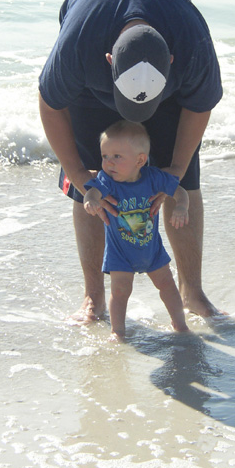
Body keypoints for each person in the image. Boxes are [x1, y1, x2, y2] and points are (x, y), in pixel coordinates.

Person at [38, 0, 223, 323]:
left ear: (170, 61)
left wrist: (176, 171)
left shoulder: (192, 47)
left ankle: (192, 292)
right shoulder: (79, 45)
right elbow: (49, 102)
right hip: (91, 92)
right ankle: (94, 297)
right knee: (92, 187)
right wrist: (78, 175)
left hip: (171, 87)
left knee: (181, 182)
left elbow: (200, 107)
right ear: (109, 61)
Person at [83, 120, 189, 339]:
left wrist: (181, 207)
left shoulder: (154, 178)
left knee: (167, 285)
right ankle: (118, 332)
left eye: (116, 157)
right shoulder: (107, 181)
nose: (108, 163)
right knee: (120, 292)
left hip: (152, 251)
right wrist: (90, 200)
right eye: (104, 156)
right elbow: (92, 192)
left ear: (140, 160)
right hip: (120, 254)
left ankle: (180, 325)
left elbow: (180, 192)